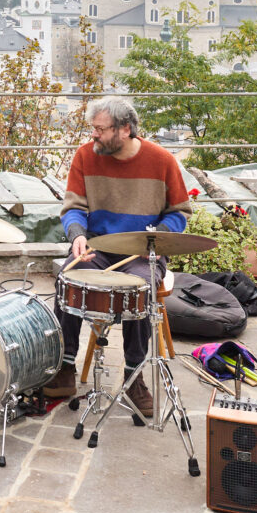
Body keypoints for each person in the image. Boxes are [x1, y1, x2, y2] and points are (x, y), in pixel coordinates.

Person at [42, 96, 190, 417]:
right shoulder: (85, 156)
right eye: (93, 128)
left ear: (125, 130)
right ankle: (65, 366)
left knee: (140, 286)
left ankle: (134, 376)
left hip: (142, 252)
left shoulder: (162, 160)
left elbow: (179, 212)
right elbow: (73, 208)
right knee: (67, 278)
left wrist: (154, 238)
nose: (93, 134)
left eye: (100, 129)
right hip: (97, 247)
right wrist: (77, 235)